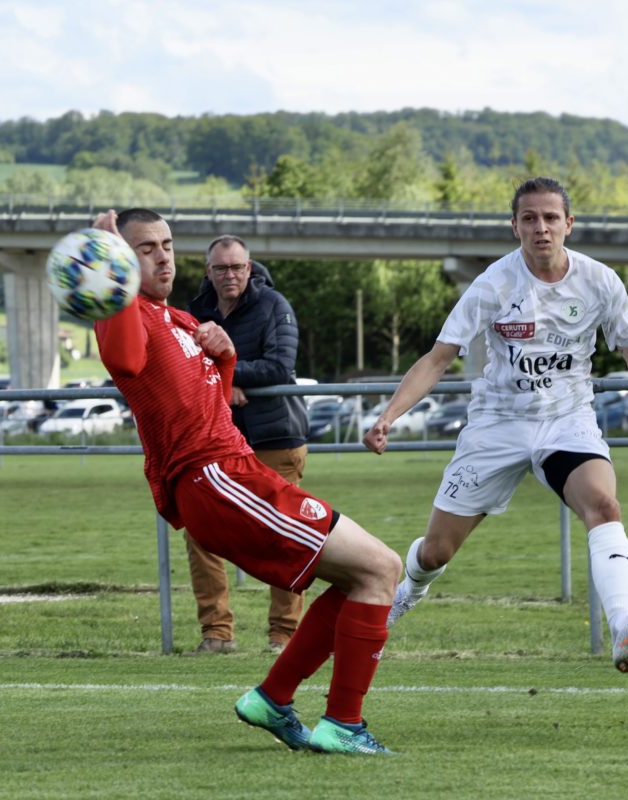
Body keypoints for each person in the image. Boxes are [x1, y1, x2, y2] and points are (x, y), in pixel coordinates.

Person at [363, 177, 628, 674]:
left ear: (568, 224)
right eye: (529, 218)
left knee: (604, 503)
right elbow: (438, 359)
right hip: (497, 425)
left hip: (567, 422)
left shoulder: (600, 281)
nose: (541, 228)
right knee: (436, 552)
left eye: (550, 218)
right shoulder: (493, 285)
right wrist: (388, 417)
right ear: (515, 227)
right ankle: (406, 593)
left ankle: (625, 630)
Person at [93, 208, 400, 754]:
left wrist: (228, 357)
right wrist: (105, 264)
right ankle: (343, 725)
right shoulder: (127, 314)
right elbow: (119, 356)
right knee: (382, 569)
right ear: (120, 261)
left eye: (166, 244)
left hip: (238, 472)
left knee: (366, 576)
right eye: (144, 248)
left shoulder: (182, 321)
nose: (163, 255)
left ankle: (273, 698)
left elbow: (212, 401)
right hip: (215, 479)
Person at [185, 235, 308, 655]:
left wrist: (227, 374)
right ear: (209, 272)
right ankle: (216, 634)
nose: (230, 275)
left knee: (283, 536)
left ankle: (283, 636)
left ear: (250, 268)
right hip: (214, 442)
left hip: (274, 436)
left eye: (237, 267)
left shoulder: (275, 306)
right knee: (201, 535)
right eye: (221, 268)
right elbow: (182, 367)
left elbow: (280, 366)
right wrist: (225, 378)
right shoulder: (194, 312)